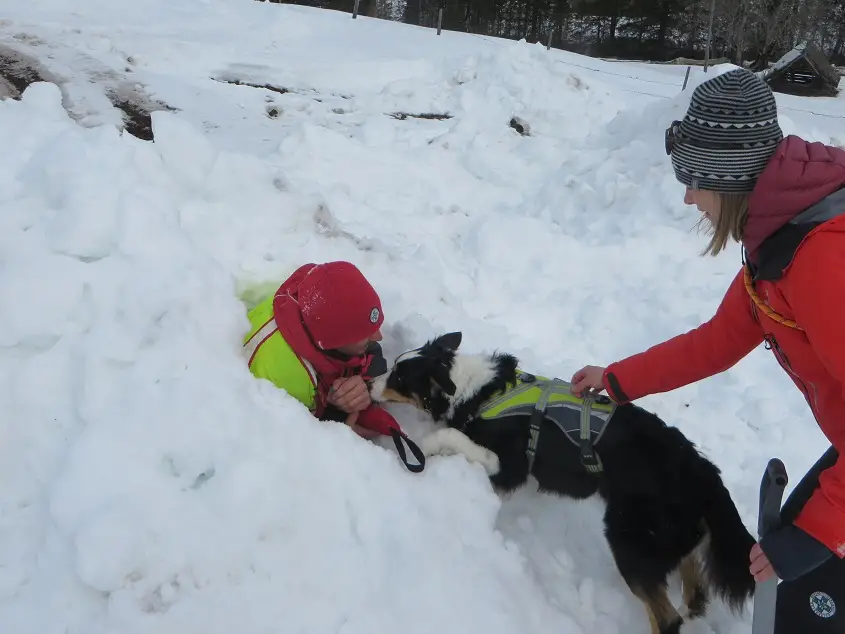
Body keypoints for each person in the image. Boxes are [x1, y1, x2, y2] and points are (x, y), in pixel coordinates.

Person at [569, 68, 844, 632]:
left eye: (695, 179)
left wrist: (822, 530)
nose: (688, 195)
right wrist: (617, 379)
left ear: (730, 176)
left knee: (804, 580)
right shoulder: (781, 239)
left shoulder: (820, 259)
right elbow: (715, 342)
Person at [243, 260, 424, 472]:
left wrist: (363, 385)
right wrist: (341, 419)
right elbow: (305, 444)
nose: (378, 336)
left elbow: (368, 352)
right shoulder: (287, 376)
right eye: (364, 334)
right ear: (334, 341)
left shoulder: (314, 301)